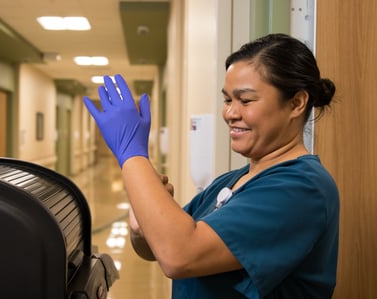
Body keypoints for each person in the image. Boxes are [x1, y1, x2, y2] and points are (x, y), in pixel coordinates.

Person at [83, 33, 339, 299]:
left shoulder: (301, 188)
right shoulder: (233, 180)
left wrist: (132, 153)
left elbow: (178, 255)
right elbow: (156, 248)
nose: (230, 113)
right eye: (228, 100)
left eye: (246, 100)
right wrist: (142, 221)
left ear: (297, 103)